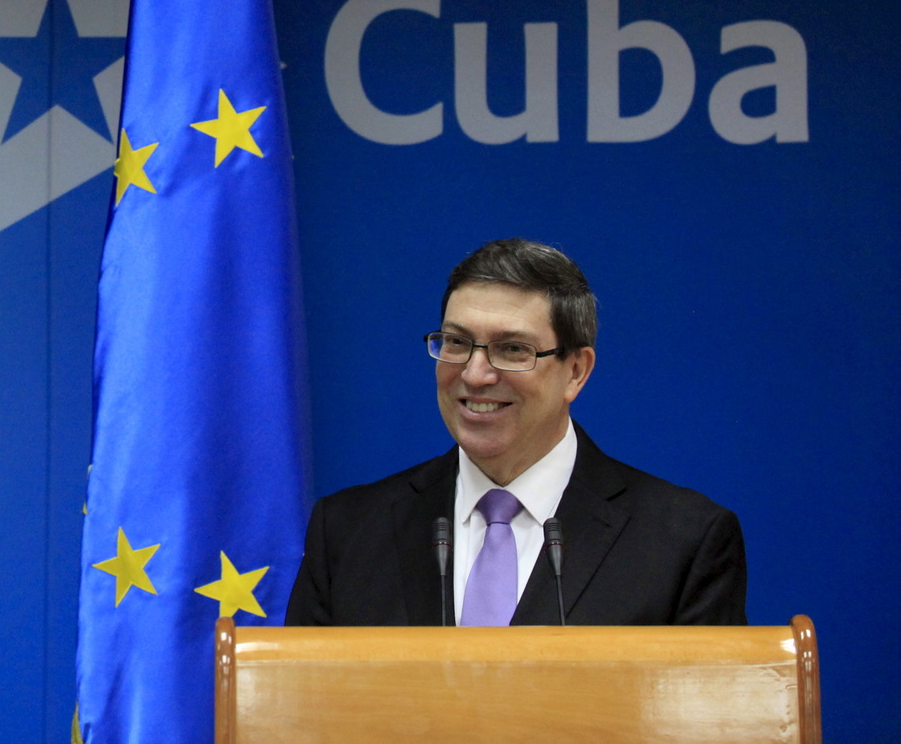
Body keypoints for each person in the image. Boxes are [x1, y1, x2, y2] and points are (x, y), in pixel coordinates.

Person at [286, 238, 746, 627]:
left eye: (512, 348)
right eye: (457, 342)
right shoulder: (348, 532)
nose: (476, 373)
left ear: (576, 371)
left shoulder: (683, 541)